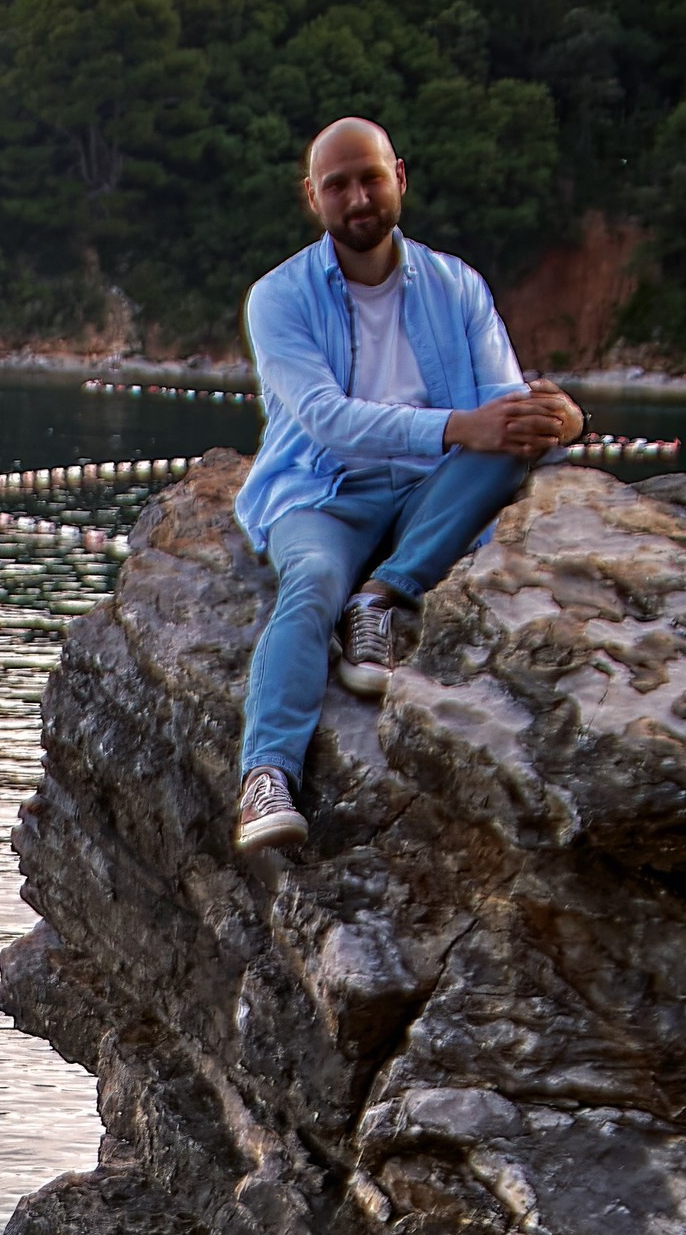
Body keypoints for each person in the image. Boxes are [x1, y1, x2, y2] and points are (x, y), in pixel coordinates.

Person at [231, 117, 584, 852]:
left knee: (503, 452)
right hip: (322, 489)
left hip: (431, 487)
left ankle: (383, 595)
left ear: (400, 177)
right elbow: (327, 421)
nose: (358, 197)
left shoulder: (457, 286)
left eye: (371, 178)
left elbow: (504, 408)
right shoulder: (279, 298)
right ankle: (266, 776)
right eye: (338, 185)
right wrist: (461, 427)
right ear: (313, 197)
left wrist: (559, 419)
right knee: (311, 582)